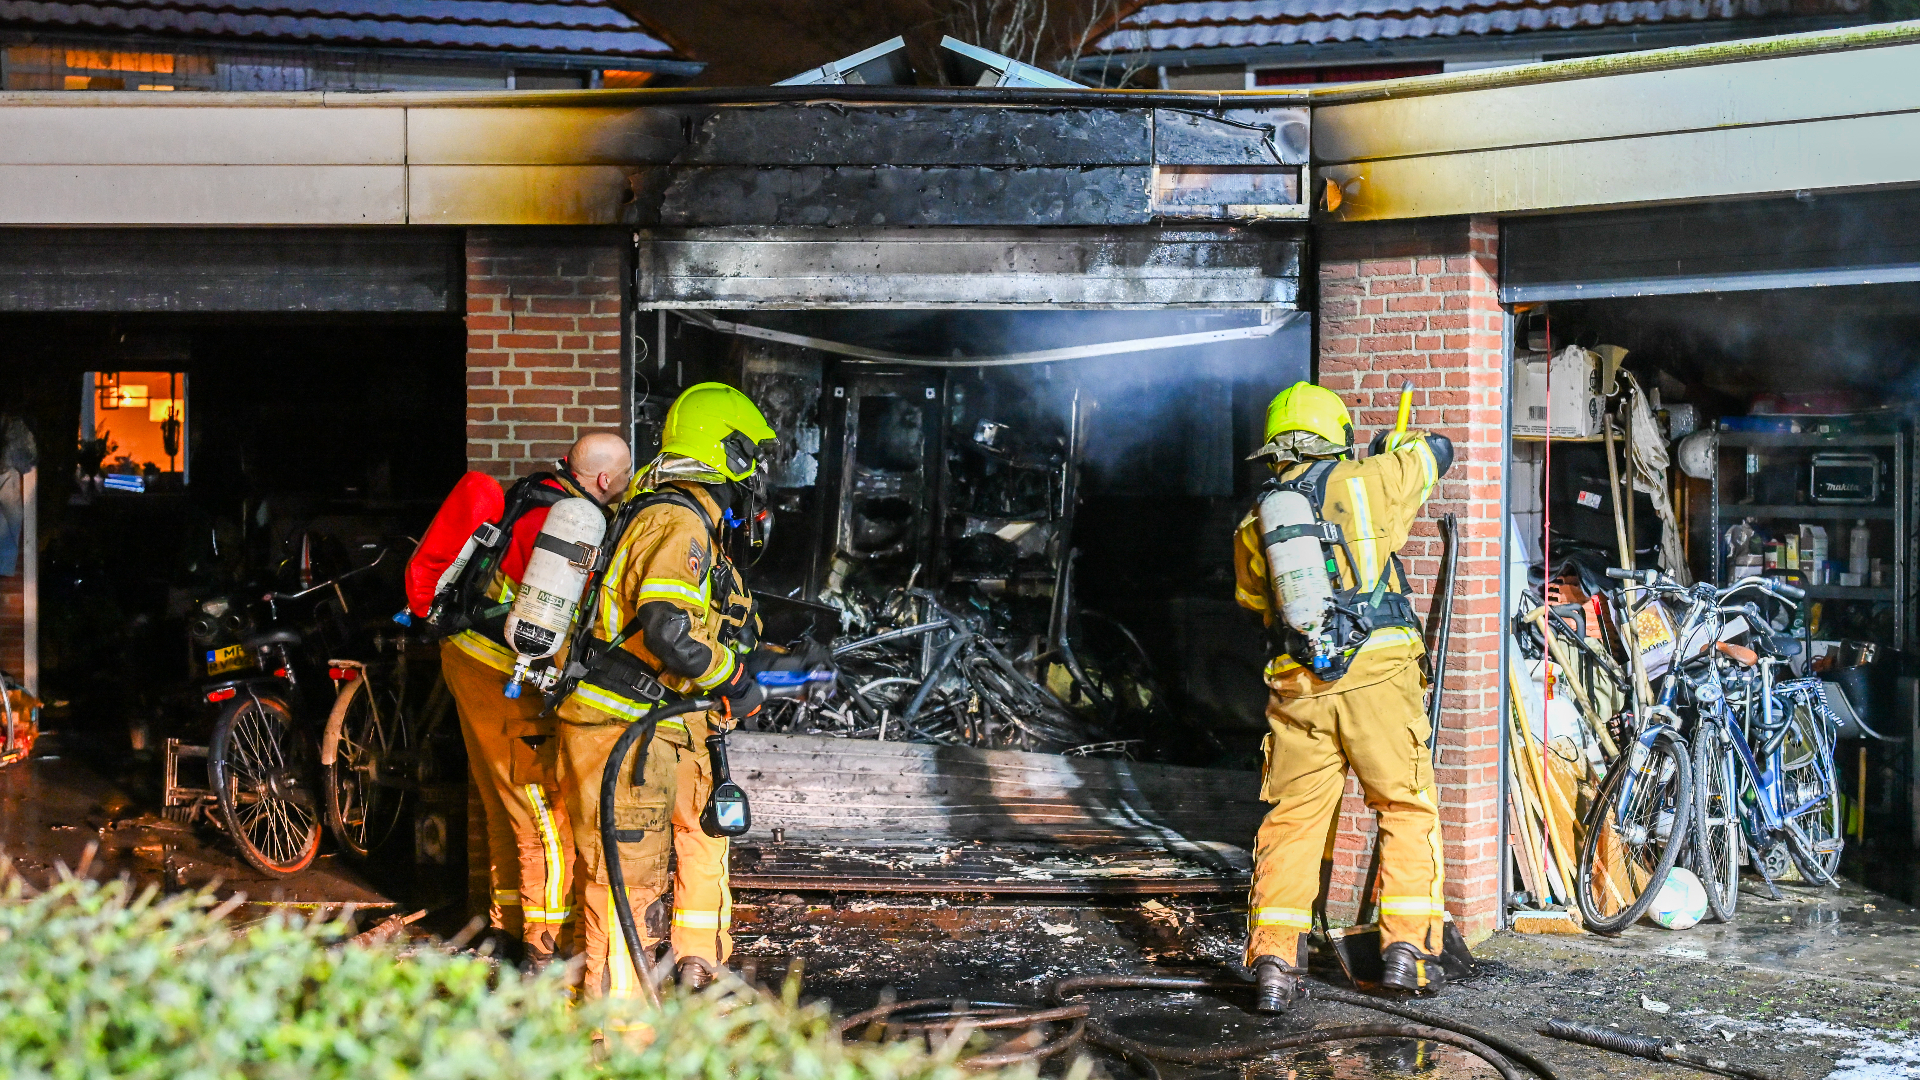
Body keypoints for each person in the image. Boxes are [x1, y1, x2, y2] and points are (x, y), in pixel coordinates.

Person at [1231, 382, 1453, 1008]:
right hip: (1380, 678)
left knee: (1292, 822)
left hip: (1299, 687)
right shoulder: (1371, 478)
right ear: (1338, 436)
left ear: (1276, 448)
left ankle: (1274, 964)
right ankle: (1405, 954)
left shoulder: (1258, 520)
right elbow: (1440, 449)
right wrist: (1401, 444)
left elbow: (1255, 601)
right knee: (1404, 808)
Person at [555, 383, 777, 1003]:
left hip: (660, 727)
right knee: (629, 890)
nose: (754, 475)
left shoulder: (674, 516)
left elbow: (699, 626)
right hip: (623, 731)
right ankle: (621, 1040)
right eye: (750, 457)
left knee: (701, 839)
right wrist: (732, 678)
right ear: (726, 453)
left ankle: (694, 966)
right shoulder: (679, 521)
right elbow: (667, 627)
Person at [406, 432, 633, 967]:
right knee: (542, 809)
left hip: (464, 656)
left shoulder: (533, 492)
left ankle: (508, 923)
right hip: (502, 671)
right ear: (604, 479)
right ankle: (544, 943)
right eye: (623, 477)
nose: (624, 486)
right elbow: (559, 622)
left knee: (500, 800)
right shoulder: (573, 525)